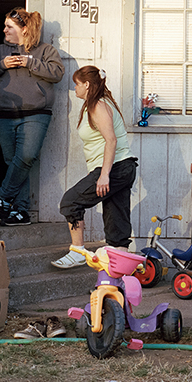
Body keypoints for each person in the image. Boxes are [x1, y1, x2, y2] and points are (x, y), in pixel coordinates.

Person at [0, 7, 64, 226]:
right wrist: (1, 65)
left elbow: (57, 73)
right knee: (13, 161)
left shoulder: (45, 50)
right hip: (4, 115)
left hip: (36, 113)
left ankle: (3, 195)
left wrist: (29, 62)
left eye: (9, 26)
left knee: (26, 157)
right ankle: (20, 210)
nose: (4, 30)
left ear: (24, 29)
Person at [51, 66, 138, 269]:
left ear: (87, 84)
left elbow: (111, 140)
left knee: (70, 202)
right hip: (121, 168)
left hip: (114, 168)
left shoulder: (98, 105)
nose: (75, 88)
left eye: (77, 84)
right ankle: (119, 273)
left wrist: (104, 175)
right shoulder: (99, 104)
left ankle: (78, 251)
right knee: (116, 222)